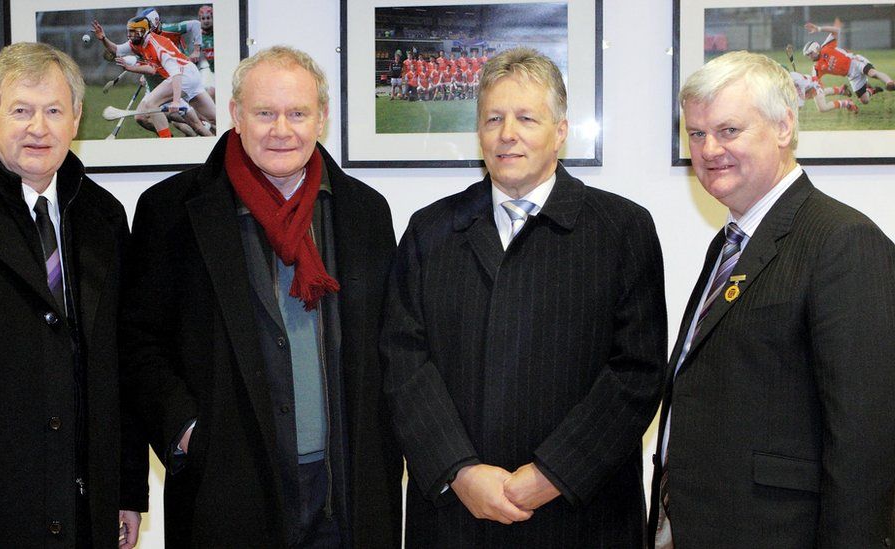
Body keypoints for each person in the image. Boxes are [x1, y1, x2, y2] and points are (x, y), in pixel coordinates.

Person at [382, 47, 667, 548]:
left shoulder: (622, 229)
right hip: (457, 515)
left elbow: (637, 372)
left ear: (560, 131)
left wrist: (553, 473)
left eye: (526, 118)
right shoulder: (430, 231)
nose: (507, 133)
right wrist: (460, 470)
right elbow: (403, 361)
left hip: (582, 513)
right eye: (493, 118)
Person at [118, 45, 403, 547]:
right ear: (234, 115)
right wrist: (188, 433)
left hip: (346, 494)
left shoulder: (366, 212)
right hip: (224, 494)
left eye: (297, 113)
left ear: (321, 118)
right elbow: (138, 344)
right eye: (264, 113)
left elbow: (393, 344)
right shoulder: (171, 211)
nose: (281, 130)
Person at [649, 50, 895, 548]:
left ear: (784, 127)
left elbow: (865, 439)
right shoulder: (729, 243)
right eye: (696, 134)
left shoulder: (842, 240)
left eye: (729, 130)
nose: (708, 148)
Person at [0, 42, 146, 548]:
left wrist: (126, 489)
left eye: (53, 111)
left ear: (76, 118)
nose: (38, 128)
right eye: (20, 110)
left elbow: (122, 365)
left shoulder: (105, 218)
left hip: (89, 509)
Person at [91, 15, 216, 138]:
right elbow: (117, 50)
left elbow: (176, 74)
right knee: (214, 118)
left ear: (145, 31)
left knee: (151, 103)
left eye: (136, 32)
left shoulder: (158, 46)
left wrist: (176, 101)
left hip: (184, 75)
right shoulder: (136, 43)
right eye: (130, 32)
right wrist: (103, 38)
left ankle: (166, 141)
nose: (132, 36)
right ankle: (218, 146)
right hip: (191, 75)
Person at [803, 18, 895, 104]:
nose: (809, 57)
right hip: (851, 75)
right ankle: (871, 90)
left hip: (854, 62)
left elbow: (836, 30)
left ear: (816, 49)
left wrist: (819, 28)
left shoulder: (826, 47)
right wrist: (803, 89)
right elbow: (813, 82)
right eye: (807, 55)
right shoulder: (817, 68)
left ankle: (889, 82)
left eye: (810, 54)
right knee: (864, 100)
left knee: (872, 73)